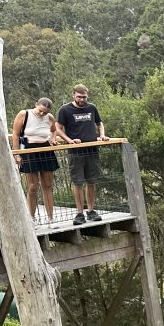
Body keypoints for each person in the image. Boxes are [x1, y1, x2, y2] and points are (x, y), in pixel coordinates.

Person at [10, 97, 71, 224]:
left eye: (45, 112)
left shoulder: (49, 117)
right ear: (36, 105)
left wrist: (53, 139)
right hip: (29, 150)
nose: (42, 114)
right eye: (40, 111)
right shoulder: (24, 114)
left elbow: (54, 130)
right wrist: (17, 153)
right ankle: (31, 218)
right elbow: (15, 134)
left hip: (46, 149)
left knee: (48, 186)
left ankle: (50, 218)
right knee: (32, 186)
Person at [57, 84, 108, 225]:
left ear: (87, 96)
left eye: (84, 97)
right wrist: (69, 140)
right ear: (73, 95)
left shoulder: (92, 108)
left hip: (92, 150)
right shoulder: (65, 110)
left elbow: (99, 123)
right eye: (79, 97)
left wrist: (102, 135)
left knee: (91, 181)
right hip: (75, 152)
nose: (82, 99)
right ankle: (79, 213)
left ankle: (91, 211)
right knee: (78, 182)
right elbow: (58, 128)